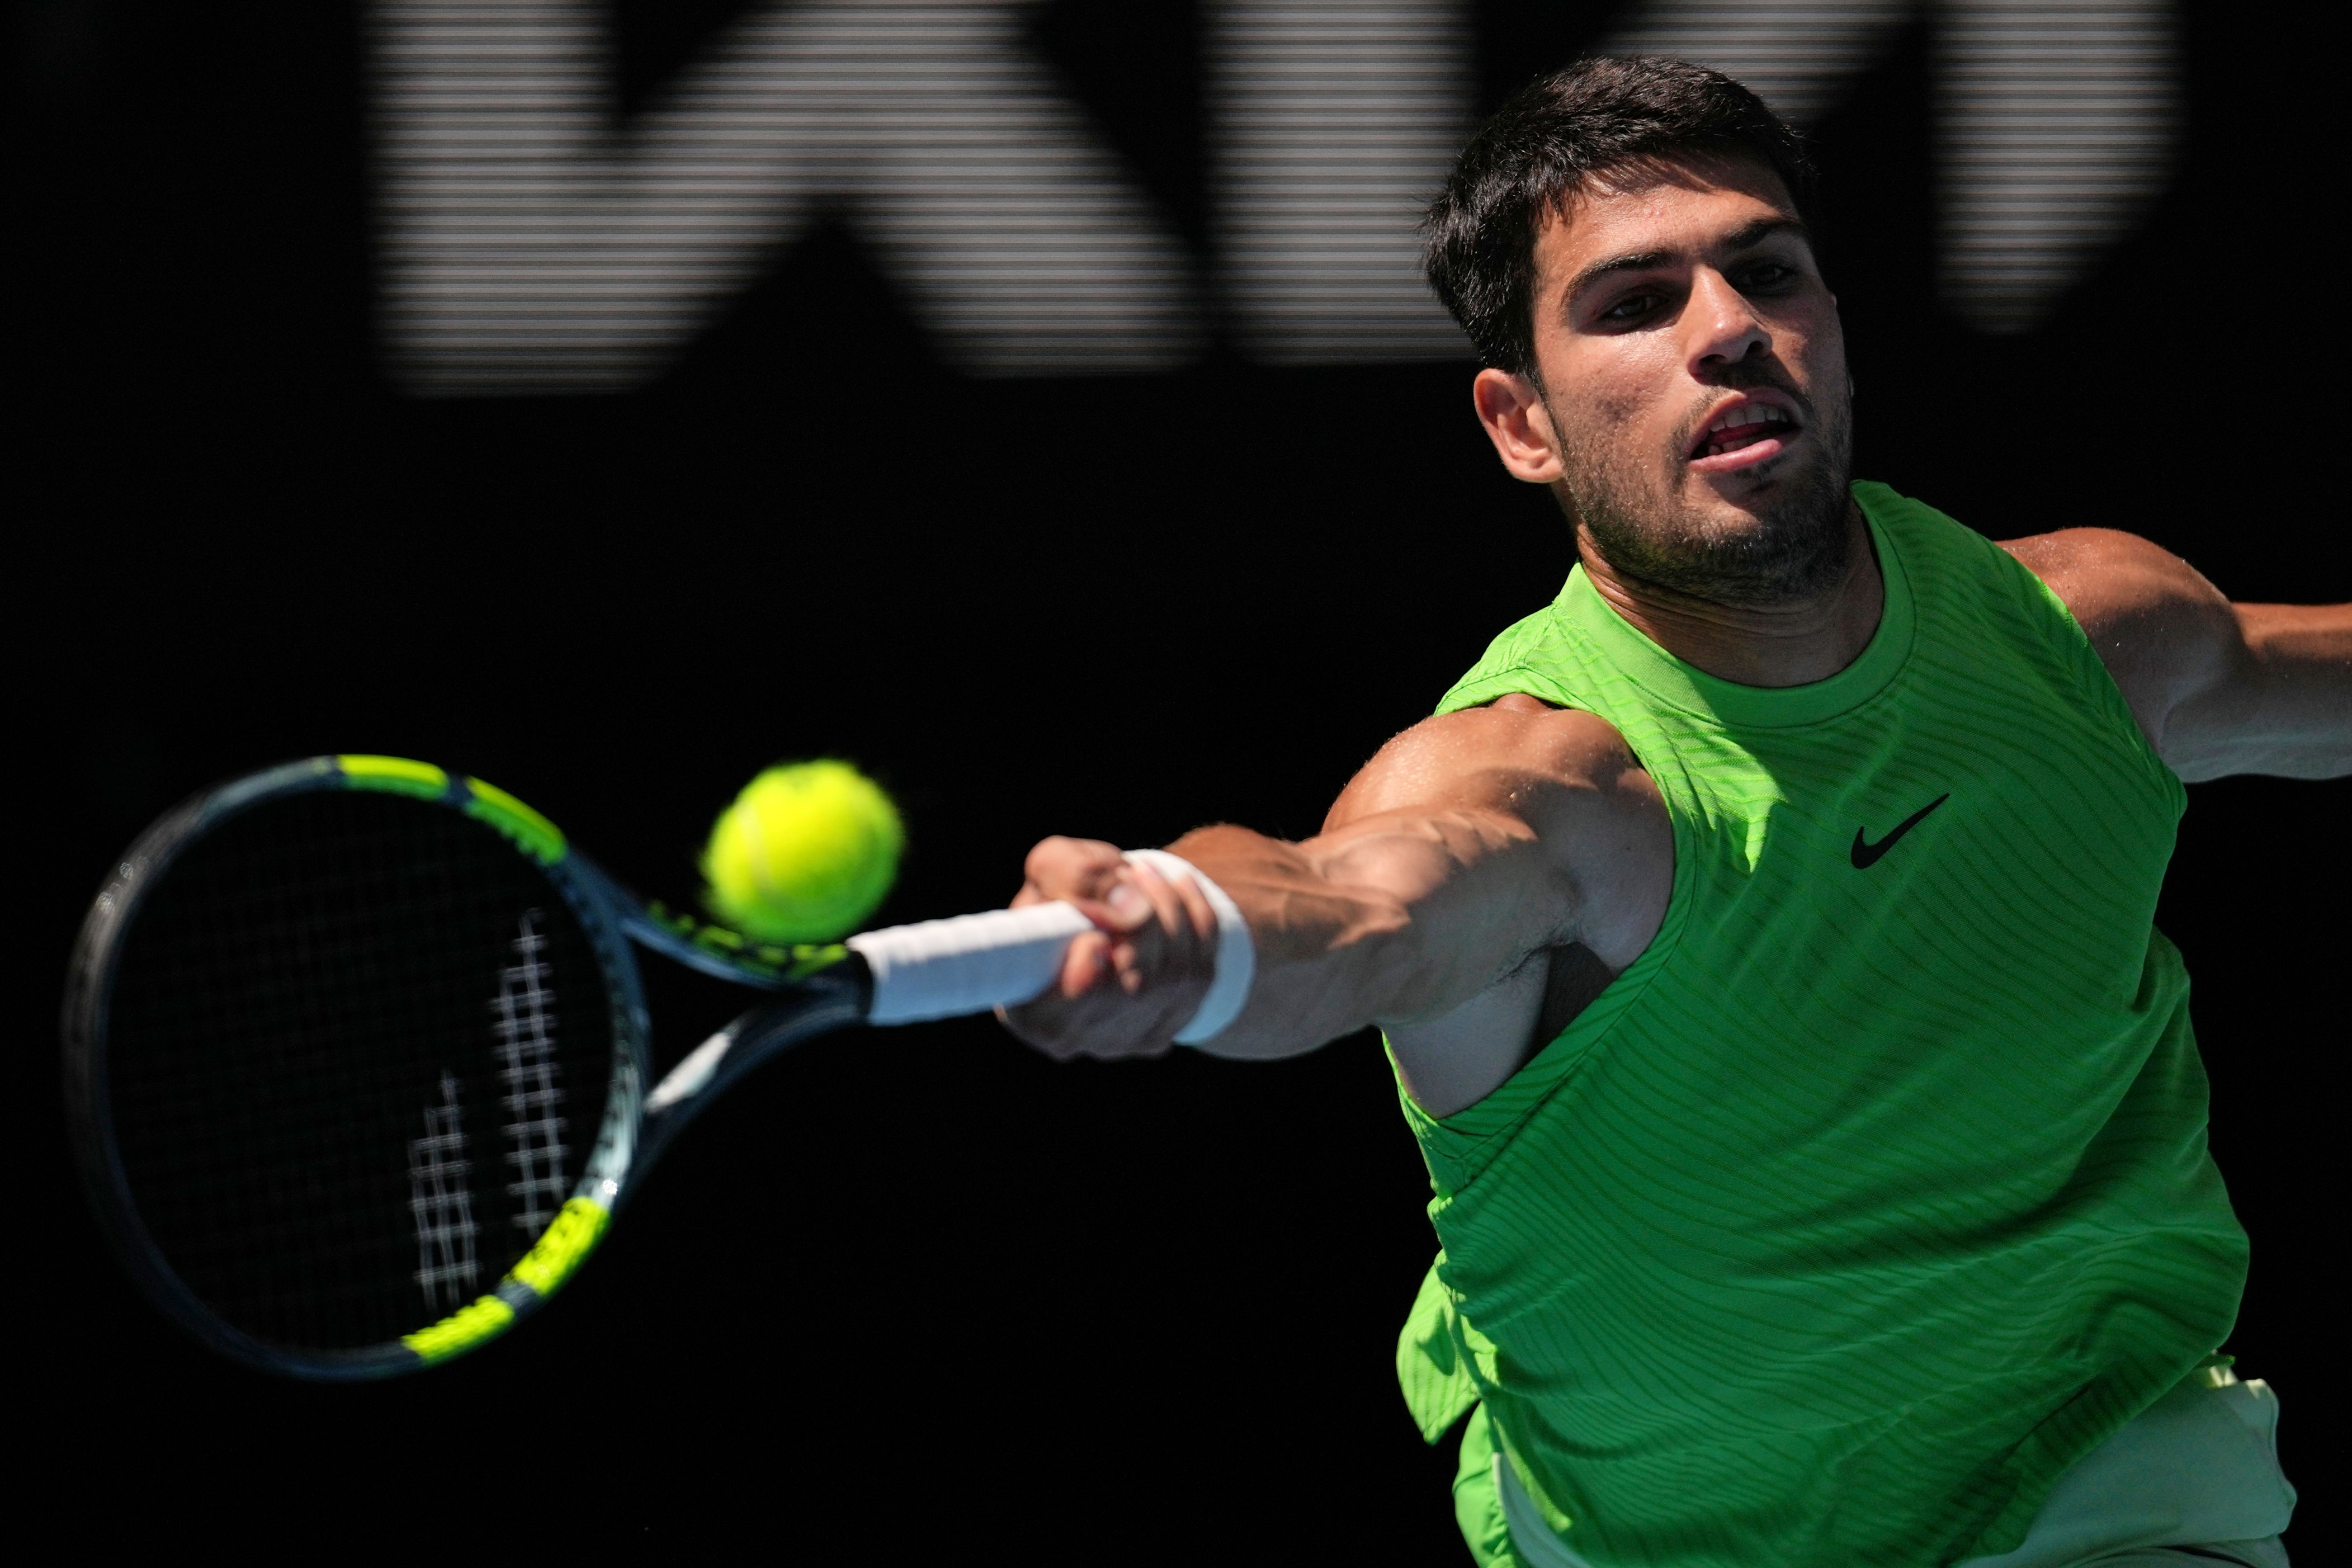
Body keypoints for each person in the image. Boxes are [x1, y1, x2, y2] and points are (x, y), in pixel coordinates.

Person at [998, 58, 2348, 1567]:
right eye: (1633, 303)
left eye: (1766, 271)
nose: (1727, 328)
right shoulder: (1547, 782)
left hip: (2091, 1475)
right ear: (1523, 425)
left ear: (1831, 327)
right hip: (1651, 1534)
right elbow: (1355, 904)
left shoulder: (2088, 638)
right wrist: (1192, 927)